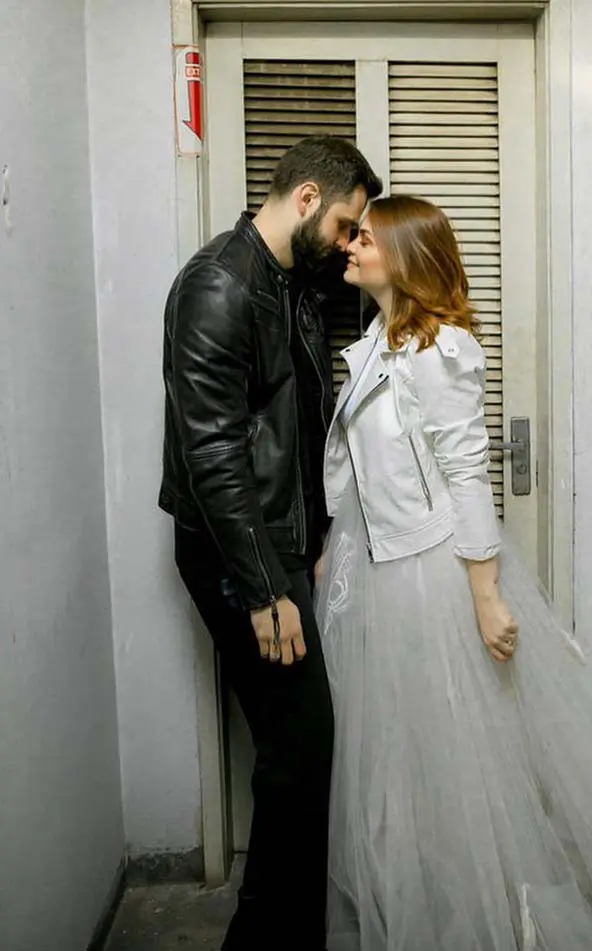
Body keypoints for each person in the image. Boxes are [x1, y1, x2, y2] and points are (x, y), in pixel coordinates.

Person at [315, 195, 592, 951]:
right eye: (352, 236)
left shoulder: (441, 351)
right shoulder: (378, 342)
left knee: (455, 770)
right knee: (399, 774)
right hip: (377, 577)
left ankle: (482, 923)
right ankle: (424, 914)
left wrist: (486, 597)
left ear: (407, 255)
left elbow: (465, 472)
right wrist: (335, 542)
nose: (350, 245)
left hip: (432, 578)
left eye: (365, 237)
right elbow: (364, 465)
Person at [159, 135, 382, 951]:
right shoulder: (221, 283)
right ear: (309, 199)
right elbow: (212, 451)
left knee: (300, 754)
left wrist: (315, 541)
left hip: (275, 545)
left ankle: (292, 934)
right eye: (350, 224)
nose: (353, 242)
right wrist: (264, 587)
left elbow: (296, 428)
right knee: (298, 749)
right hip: (235, 553)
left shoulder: (292, 284)